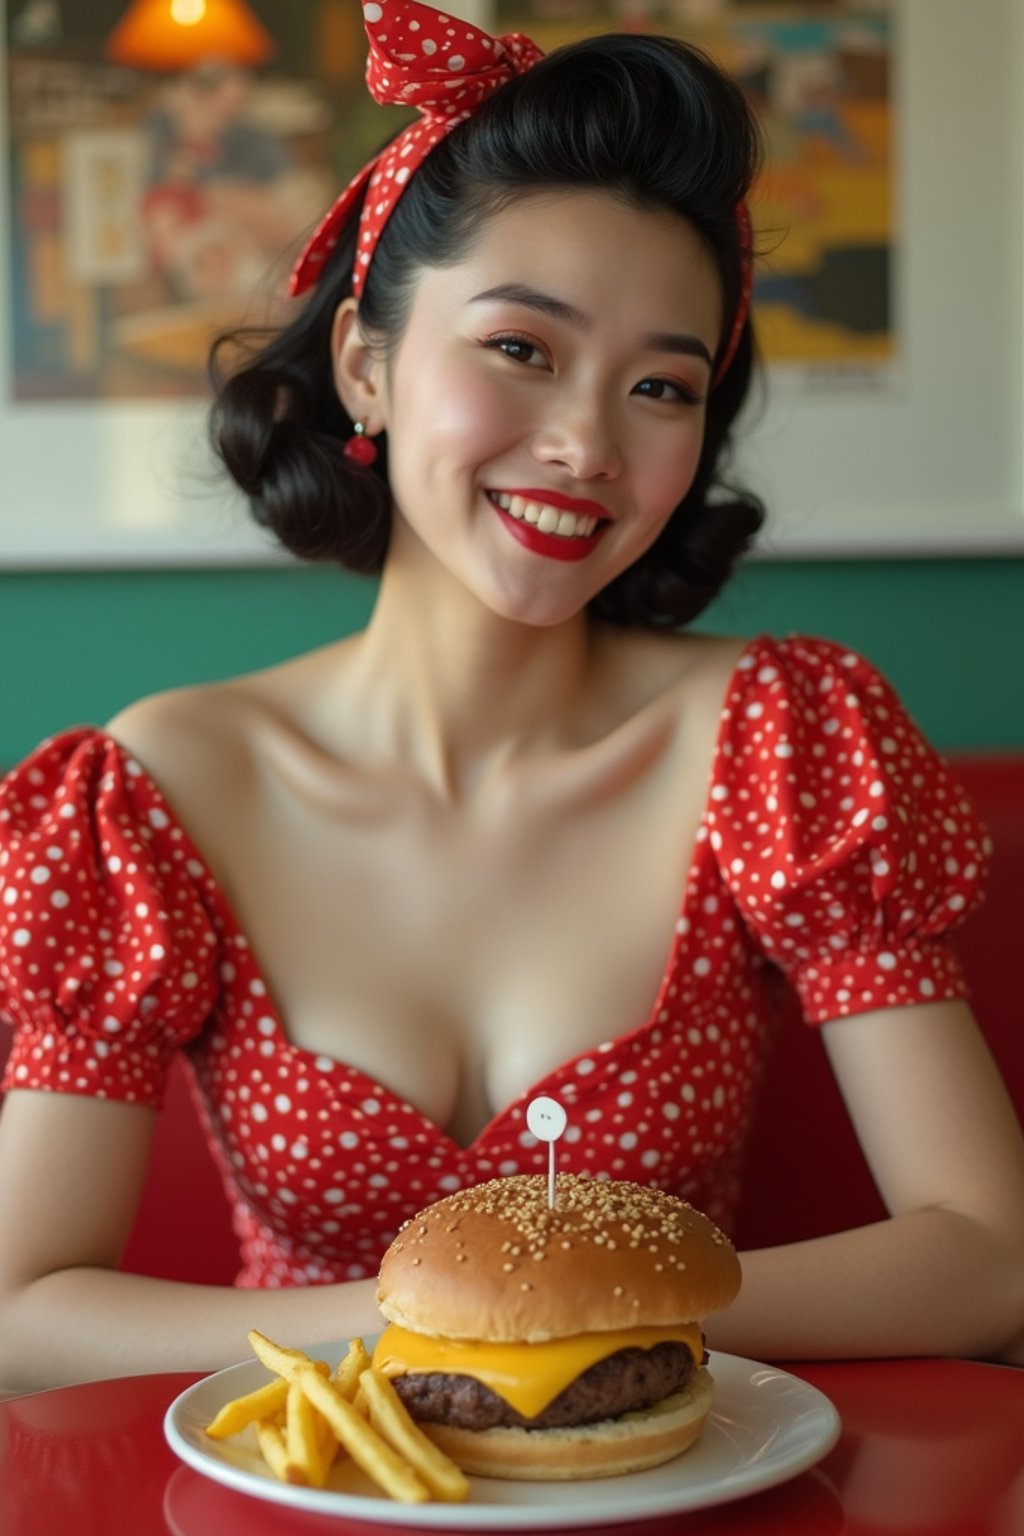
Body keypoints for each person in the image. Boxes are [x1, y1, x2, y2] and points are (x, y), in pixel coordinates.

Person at [1, 0, 1022, 1395]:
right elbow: (22, 1311)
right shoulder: (162, 784)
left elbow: (986, 1260)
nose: (586, 445)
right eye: (521, 350)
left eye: (661, 387)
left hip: (669, 1476)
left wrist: (581, 1319)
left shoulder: (786, 740)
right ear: (366, 360)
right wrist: (432, 1326)